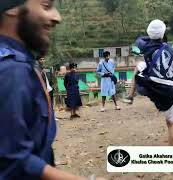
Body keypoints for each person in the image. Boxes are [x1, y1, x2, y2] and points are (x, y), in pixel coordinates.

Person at [0, 0, 105, 179]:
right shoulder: (12, 70)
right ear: (13, 9)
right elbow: (13, 162)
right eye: (46, 5)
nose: (57, 17)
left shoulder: (22, 63)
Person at [124, 19, 173, 145]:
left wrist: (151, 36)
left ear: (149, 33)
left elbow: (139, 40)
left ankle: (130, 96)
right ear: (163, 33)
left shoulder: (146, 46)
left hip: (152, 86)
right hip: (169, 91)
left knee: (139, 66)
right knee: (171, 123)